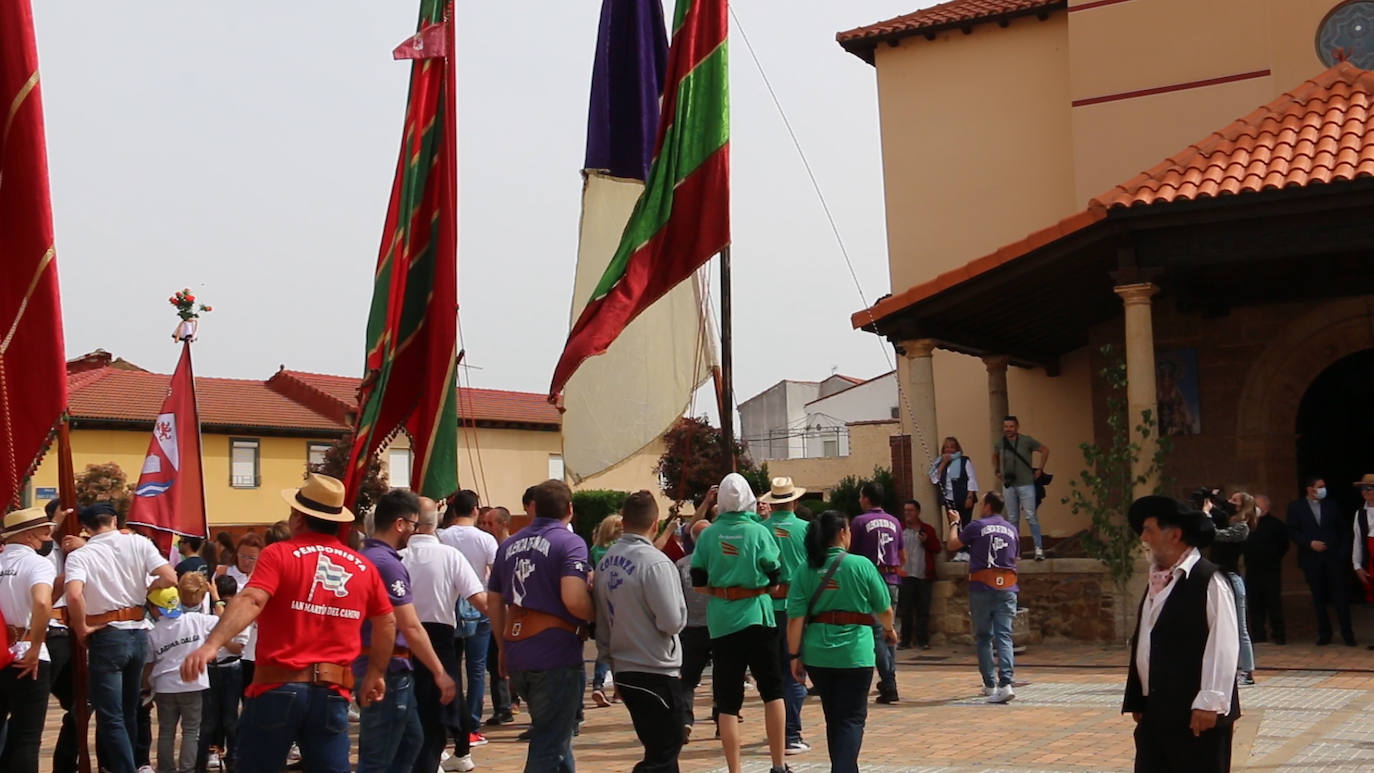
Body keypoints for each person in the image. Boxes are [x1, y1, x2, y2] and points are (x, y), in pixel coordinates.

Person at [180, 473, 397, 772]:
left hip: (276, 687)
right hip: (333, 692)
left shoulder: (279, 554)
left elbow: (252, 599)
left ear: (297, 517)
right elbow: (387, 622)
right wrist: (376, 672)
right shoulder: (362, 566)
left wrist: (211, 645)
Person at [1123, 495, 1239, 772]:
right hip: (1157, 714)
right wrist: (1138, 697)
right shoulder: (1157, 580)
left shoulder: (1208, 580)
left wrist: (1209, 702)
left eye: (1149, 530)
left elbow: (1223, 644)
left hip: (1197, 716)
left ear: (1174, 535)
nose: (1143, 538)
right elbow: (1148, 639)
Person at [488, 479, 594, 773]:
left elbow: (494, 601)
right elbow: (574, 599)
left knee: (556, 737)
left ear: (533, 509)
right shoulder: (569, 541)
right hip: (555, 653)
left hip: (518, 648)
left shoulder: (509, 544)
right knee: (549, 743)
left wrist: (502, 646)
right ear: (569, 508)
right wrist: (596, 613)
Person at [689, 472, 791, 773]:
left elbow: (697, 582)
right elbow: (775, 578)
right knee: (772, 691)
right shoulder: (759, 532)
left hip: (722, 621)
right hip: (758, 616)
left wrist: (723, 592)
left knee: (728, 700)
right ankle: (778, 764)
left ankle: (735, 769)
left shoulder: (707, 535)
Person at [65, 502, 177, 773]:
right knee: (128, 711)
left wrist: (80, 628)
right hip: (137, 630)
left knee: (111, 715)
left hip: (107, 633)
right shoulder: (139, 543)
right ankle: (131, 765)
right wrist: (149, 586)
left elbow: (74, 594)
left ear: (86, 528)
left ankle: (124, 768)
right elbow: (170, 576)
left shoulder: (81, 555)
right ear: (114, 520)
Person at [355, 489, 457, 773]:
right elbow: (410, 625)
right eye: (413, 525)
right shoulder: (388, 565)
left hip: (379, 666)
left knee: (411, 741)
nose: (414, 531)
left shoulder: (367, 557)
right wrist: (439, 671)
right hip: (388, 669)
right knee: (378, 758)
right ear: (400, 524)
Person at [785, 511, 895, 773]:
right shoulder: (860, 565)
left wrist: (793, 656)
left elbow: (795, 620)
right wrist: (890, 630)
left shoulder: (805, 569)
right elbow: (884, 609)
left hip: (818, 654)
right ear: (843, 532)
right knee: (852, 719)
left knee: (834, 718)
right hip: (854, 652)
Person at [593, 490, 688, 772]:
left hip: (624, 667)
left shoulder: (605, 561)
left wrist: (609, 659)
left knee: (659, 750)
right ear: (655, 523)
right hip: (655, 668)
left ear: (623, 521)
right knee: (664, 753)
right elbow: (671, 621)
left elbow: (601, 622)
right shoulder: (656, 563)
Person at [402, 496, 488, 773]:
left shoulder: (398, 558)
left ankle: (426, 759)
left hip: (403, 637)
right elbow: (479, 599)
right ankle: (439, 755)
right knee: (441, 706)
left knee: (411, 706)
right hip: (440, 638)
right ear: (435, 522)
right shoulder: (450, 556)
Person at [945, 493, 1019, 703]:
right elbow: (1016, 558)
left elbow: (952, 545)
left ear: (987, 506)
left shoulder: (977, 526)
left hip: (981, 585)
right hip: (1007, 586)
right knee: (1004, 635)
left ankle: (990, 684)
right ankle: (1006, 683)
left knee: (984, 637)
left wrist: (954, 523)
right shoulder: (1012, 529)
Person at [439, 489, 499, 745]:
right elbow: (495, 574)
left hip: (448, 605)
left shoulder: (441, 536)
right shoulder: (485, 539)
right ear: (476, 510)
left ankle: (450, 720)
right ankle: (472, 722)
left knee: (450, 666)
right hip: (479, 603)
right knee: (476, 670)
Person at [0, 506, 57, 773]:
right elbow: (43, 603)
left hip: (1, 651)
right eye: (45, 532)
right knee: (27, 737)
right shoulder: (37, 563)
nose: (48, 537)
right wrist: (35, 646)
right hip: (25, 653)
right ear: (28, 535)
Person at [759, 477, 812, 756]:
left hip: (767, 608)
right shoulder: (807, 530)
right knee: (795, 672)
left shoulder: (760, 529)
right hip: (798, 609)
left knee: (775, 673)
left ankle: (780, 730)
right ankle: (791, 732)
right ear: (794, 500)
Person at [145, 575, 216, 773]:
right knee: (191, 731)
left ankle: (165, 769)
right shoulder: (196, 620)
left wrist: (145, 686)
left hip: (164, 686)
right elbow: (223, 622)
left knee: (166, 731)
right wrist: (216, 599)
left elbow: (149, 664)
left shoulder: (153, 632)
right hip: (193, 683)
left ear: (156, 608)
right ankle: (187, 769)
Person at [848, 481, 902, 704]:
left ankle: (888, 682)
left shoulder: (859, 522)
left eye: (861, 497)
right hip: (892, 578)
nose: (860, 500)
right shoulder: (894, 522)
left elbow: (851, 552)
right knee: (889, 631)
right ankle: (890, 677)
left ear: (867, 499)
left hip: (870, 579)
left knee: (878, 633)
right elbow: (903, 554)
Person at [1286, 476, 1354, 646]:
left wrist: (1342, 553)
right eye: (1320, 486)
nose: (1323, 489)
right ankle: (1325, 633)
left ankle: (1347, 633)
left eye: (1324, 486)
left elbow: (1343, 530)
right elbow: (1293, 532)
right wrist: (1309, 543)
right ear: (1310, 489)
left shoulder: (1332, 505)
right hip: (1311, 559)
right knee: (1318, 598)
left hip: (1333, 558)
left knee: (1340, 597)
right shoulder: (1296, 507)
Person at [197, 575, 247, 773]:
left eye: (227, 602)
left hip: (231, 670)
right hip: (210, 670)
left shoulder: (241, 617)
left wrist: (221, 635)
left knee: (230, 719)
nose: (224, 606)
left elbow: (237, 648)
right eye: (220, 601)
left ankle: (233, 758)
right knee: (208, 720)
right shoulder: (206, 615)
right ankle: (203, 759)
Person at [477, 506, 515, 728]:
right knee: (493, 661)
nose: (485, 528)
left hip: (507, 610)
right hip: (489, 608)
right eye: (482, 523)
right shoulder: (487, 545)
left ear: (502, 523)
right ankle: (503, 706)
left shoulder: (507, 547)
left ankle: (510, 702)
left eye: (489, 523)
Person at [676, 518, 713, 741]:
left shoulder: (681, 565)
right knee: (723, 675)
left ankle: (685, 719)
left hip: (691, 626)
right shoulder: (718, 561)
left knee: (688, 678)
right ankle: (722, 717)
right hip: (717, 624)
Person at [993, 415, 1049, 561]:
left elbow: (1044, 450)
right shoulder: (1001, 442)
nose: (1008, 429)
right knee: (1012, 519)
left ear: (1017, 427)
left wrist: (1040, 469)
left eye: (1011, 426)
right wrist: (998, 471)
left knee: (1030, 516)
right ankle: (1015, 551)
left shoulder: (1026, 440)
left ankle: (1038, 548)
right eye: (1006, 426)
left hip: (1026, 483)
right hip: (1009, 484)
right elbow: (995, 455)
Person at [1213, 493, 1256, 685]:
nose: (1229, 502)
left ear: (1241, 507)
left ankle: (1247, 672)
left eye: (1234, 501)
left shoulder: (1242, 527)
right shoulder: (1228, 521)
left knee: (1240, 628)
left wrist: (1207, 515)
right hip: (1219, 576)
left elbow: (1217, 535)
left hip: (1232, 579)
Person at [215, 534, 261, 690]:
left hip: (253, 647)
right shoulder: (223, 572)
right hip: (227, 649)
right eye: (242, 555)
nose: (246, 561)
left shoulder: (262, 577)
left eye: (251, 558)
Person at [588, 513, 623, 707]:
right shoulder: (619, 550)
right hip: (618, 601)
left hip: (599, 602)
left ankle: (598, 685)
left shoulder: (595, 550)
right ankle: (619, 690)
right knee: (619, 648)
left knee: (604, 648)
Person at [1243, 494, 1287, 645]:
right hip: (1252, 570)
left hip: (1270, 570)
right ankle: (1258, 634)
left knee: (1274, 603)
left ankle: (1279, 634)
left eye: (1258, 505)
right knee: (1254, 603)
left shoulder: (1277, 525)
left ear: (1266, 507)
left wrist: (1272, 557)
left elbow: (1283, 545)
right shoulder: (1248, 524)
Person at [897, 500, 940, 649]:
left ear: (918, 512)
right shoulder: (899, 529)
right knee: (906, 610)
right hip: (905, 574)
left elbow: (937, 548)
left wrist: (927, 541)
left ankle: (923, 640)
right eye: (905, 510)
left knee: (923, 610)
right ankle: (905, 640)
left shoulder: (927, 530)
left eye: (911, 510)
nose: (907, 513)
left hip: (923, 575)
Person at [929, 436, 978, 561]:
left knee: (965, 525)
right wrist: (943, 463)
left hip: (964, 497)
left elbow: (971, 478)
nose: (949, 450)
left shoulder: (964, 461)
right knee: (955, 525)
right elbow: (935, 479)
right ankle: (959, 551)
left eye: (952, 447)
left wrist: (970, 496)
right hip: (949, 499)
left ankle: (967, 551)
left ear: (957, 448)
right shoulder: (940, 463)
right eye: (946, 447)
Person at [1351, 475, 1374, 626]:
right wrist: (1357, 566)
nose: (1364, 492)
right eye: (1362, 489)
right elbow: (1358, 541)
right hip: (1371, 561)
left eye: (1368, 488)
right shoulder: (1360, 514)